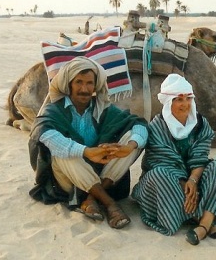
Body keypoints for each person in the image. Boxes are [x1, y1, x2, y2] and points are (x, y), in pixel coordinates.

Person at [28, 56, 148, 229]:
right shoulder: (54, 109)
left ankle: (90, 198)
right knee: (63, 150)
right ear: (69, 84)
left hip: (100, 172)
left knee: (134, 138)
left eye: (89, 83)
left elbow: (139, 125)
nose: (84, 89)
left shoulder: (102, 109)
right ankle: (109, 203)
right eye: (79, 82)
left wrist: (128, 147)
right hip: (68, 178)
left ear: (95, 85)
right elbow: (44, 133)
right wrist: (86, 152)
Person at [131, 74, 216, 245]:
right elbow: (163, 161)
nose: (185, 104)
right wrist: (187, 186)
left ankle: (202, 225)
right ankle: (204, 219)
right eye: (179, 99)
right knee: (159, 173)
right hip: (167, 182)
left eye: (188, 98)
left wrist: (193, 181)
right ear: (169, 102)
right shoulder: (156, 127)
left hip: (193, 179)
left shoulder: (200, 124)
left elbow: (200, 157)